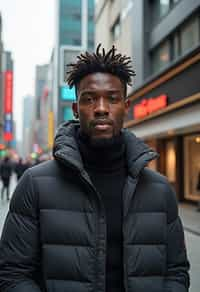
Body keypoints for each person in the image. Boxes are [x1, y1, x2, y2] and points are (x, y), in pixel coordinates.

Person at [0, 44, 190, 292]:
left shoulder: (160, 189)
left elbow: (176, 273)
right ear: (76, 109)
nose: (101, 108)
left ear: (126, 107)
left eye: (112, 98)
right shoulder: (34, 184)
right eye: (89, 99)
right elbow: (12, 274)